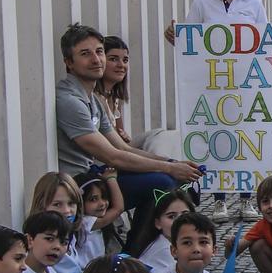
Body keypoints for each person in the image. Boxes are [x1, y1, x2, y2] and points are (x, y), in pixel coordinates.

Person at [55, 24, 200, 213]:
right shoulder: (70, 101)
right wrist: (169, 168)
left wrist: (173, 163)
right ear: (69, 62)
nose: (96, 59)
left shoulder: (91, 98)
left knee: (172, 179)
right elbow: (111, 156)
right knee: (162, 182)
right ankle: (137, 242)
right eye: (85, 54)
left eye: (99, 52)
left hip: (96, 175)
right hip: (77, 184)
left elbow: (123, 147)